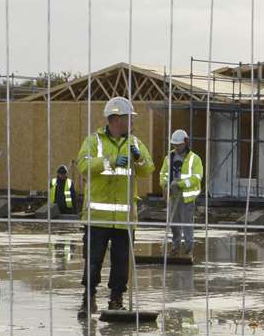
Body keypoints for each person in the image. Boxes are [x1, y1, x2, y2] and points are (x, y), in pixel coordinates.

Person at [74, 96, 155, 318]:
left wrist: (138, 160)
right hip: (97, 217)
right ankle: (88, 298)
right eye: (129, 118)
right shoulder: (94, 141)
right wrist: (109, 161)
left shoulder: (135, 143)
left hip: (124, 218)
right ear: (116, 119)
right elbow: (83, 165)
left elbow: (149, 169)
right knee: (93, 260)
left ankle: (116, 299)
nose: (132, 122)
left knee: (121, 263)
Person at [159, 128, 203, 254]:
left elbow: (197, 177)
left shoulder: (194, 159)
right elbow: (163, 173)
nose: (177, 147)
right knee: (174, 223)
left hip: (187, 197)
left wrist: (181, 184)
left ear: (185, 142)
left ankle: (189, 246)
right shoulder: (169, 157)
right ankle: (176, 246)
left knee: (187, 223)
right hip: (173, 195)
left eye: (179, 145)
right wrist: (165, 185)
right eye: (175, 145)